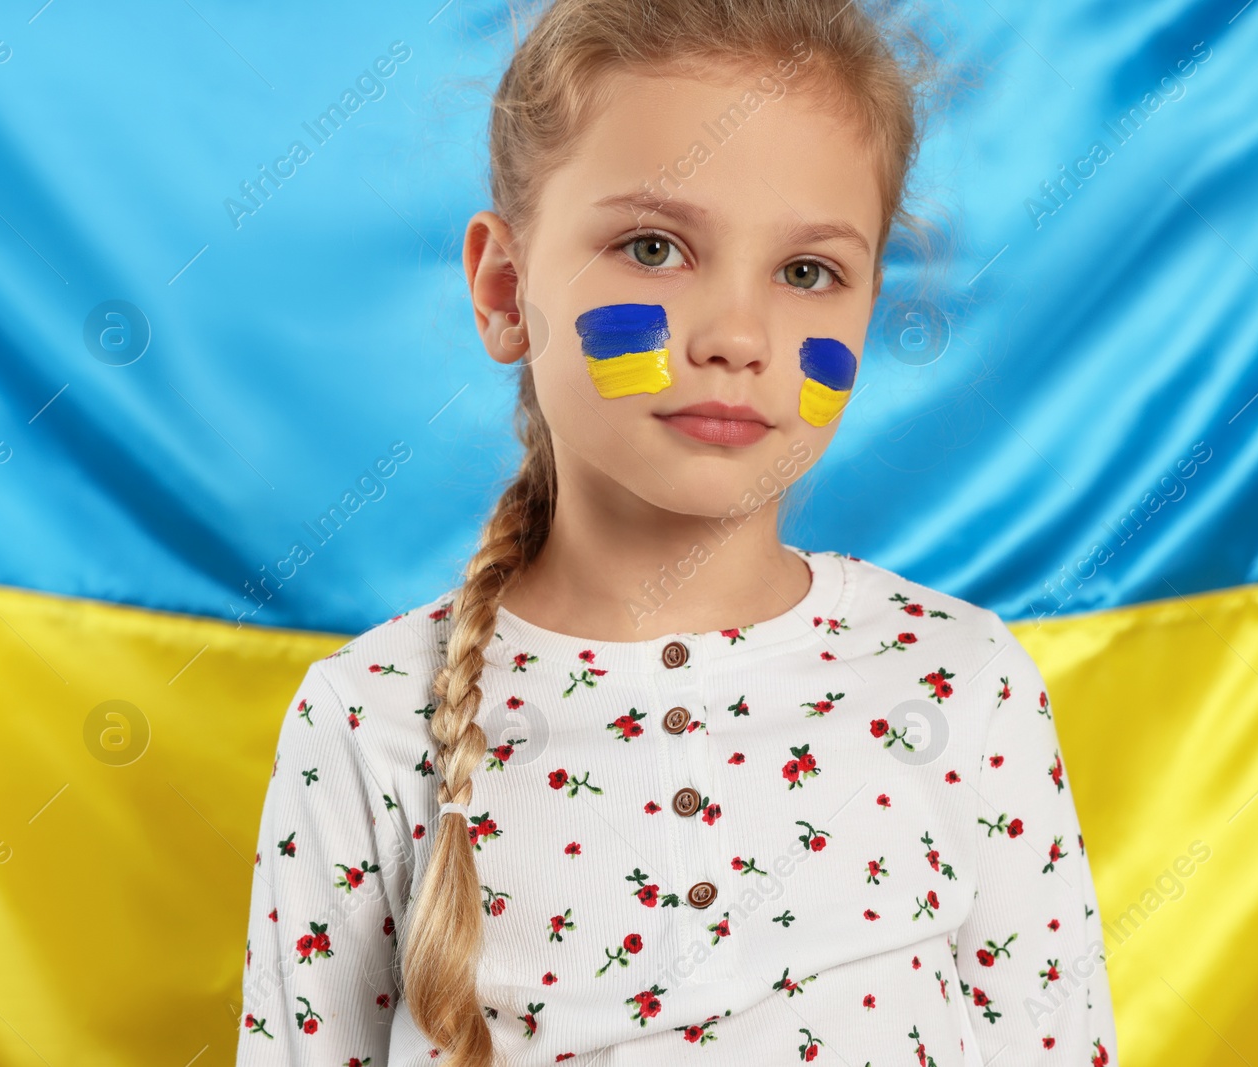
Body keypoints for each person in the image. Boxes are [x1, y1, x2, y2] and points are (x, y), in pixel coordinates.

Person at [236, 0, 1118, 1063]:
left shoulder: (958, 682)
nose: (737, 336)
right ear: (506, 288)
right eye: (653, 247)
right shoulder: (368, 720)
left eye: (806, 272)